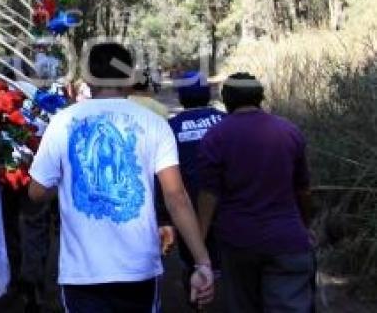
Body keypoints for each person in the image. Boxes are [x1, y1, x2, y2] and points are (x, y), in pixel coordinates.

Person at [28, 42, 214, 312]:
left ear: (88, 79)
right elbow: (176, 197)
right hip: (138, 269)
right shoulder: (154, 124)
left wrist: (67, 181)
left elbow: (36, 192)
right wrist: (202, 262)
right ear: (129, 78)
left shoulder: (62, 122)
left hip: (83, 272)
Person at [197, 73, 314, 312]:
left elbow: (209, 194)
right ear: (261, 97)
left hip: (238, 242)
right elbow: (303, 190)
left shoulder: (215, 137)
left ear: (226, 99)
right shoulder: (289, 131)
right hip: (288, 240)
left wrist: (199, 241)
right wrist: (305, 226)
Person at [168, 71, 225, 301]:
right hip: (227, 209)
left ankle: (197, 290)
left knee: (195, 259)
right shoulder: (226, 121)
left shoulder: (170, 127)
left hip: (187, 211)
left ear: (181, 96)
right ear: (209, 93)